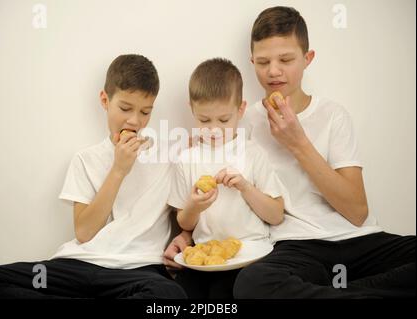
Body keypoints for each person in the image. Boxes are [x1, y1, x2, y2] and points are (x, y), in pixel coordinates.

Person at [164, 6, 415, 299]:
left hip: (358, 240)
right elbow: (205, 181)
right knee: (251, 284)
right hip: (294, 248)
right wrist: (185, 235)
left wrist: (298, 143)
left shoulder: (334, 115)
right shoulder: (236, 123)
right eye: (263, 61)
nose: (273, 71)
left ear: (307, 59)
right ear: (252, 62)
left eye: (285, 59)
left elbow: (357, 212)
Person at [0, 54, 186, 299]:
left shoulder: (167, 158)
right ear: (105, 100)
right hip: (76, 267)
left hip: (137, 270)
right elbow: (84, 232)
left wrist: (185, 237)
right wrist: (118, 170)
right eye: (125, 108)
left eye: (145, 112)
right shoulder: (86, 159)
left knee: (169, 293)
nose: (135, 121)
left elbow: (185, 219)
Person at [168, 58, 285, 298]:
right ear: (191, 109)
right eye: (204, 120)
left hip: (251, 253)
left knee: (226, 295)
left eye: (223, 120)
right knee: (178, 295)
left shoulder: (252, 153)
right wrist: (194, 205)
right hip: (204, 254)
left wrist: (245, 187)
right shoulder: (187, 159)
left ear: (240, 110)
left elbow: (276, 215)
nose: (213, 129)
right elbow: (185, 224)